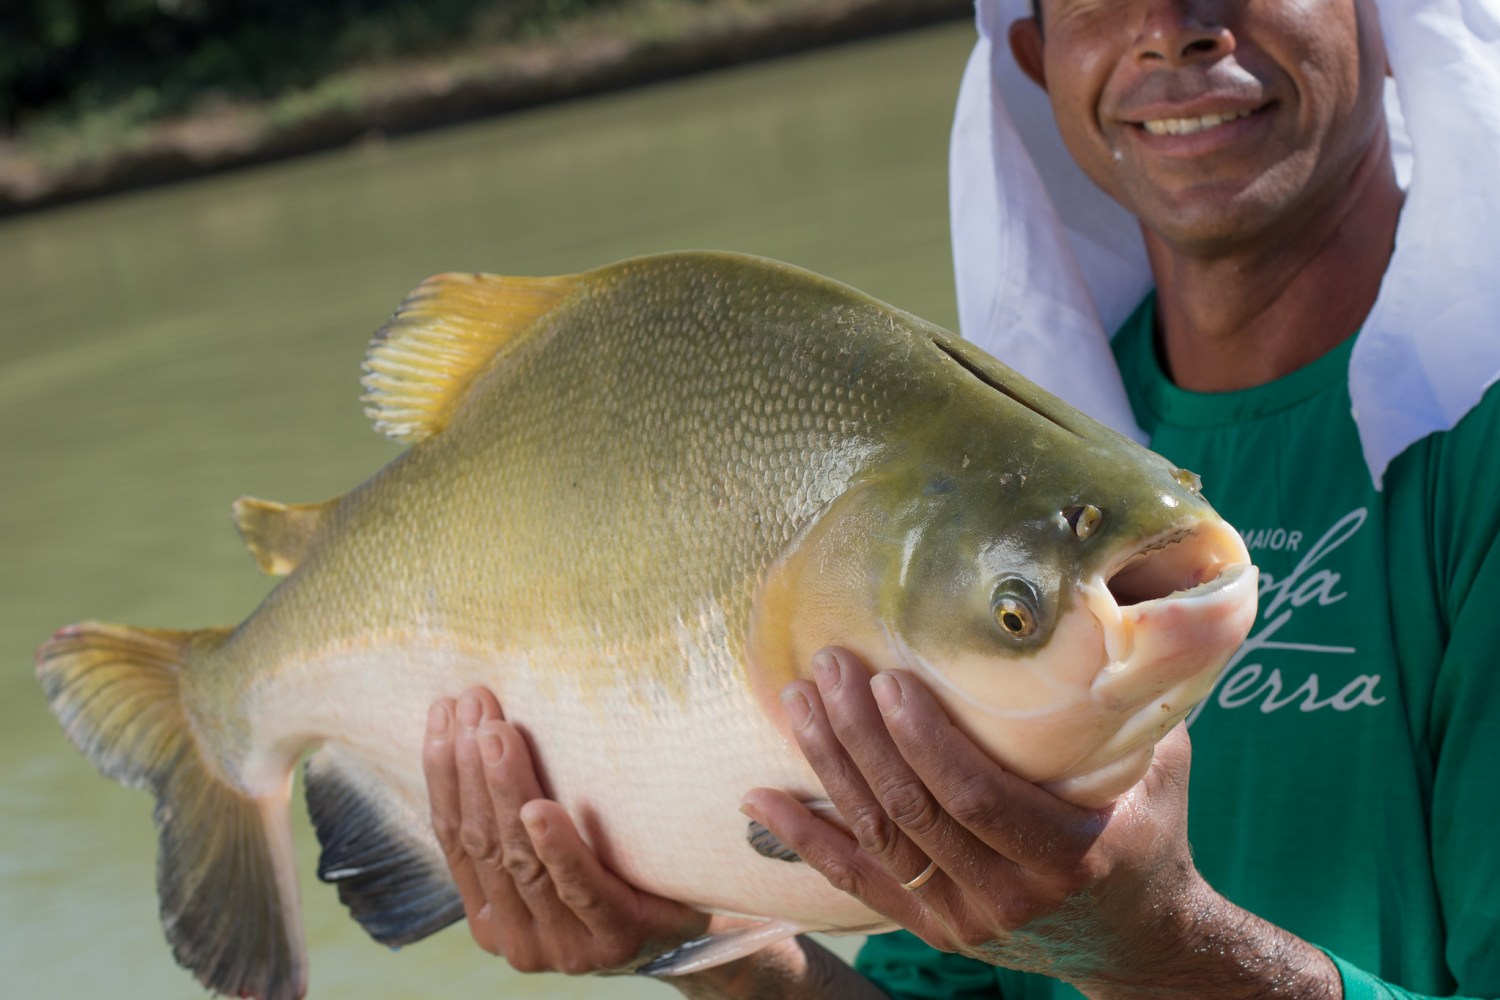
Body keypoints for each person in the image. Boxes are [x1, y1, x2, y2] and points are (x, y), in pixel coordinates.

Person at [419, 0, 1500, 995]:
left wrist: (1152, 938)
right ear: (1036, 57)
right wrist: (700, 949)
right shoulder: (1005, 480)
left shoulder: (1479, 451)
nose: (1175, 28)